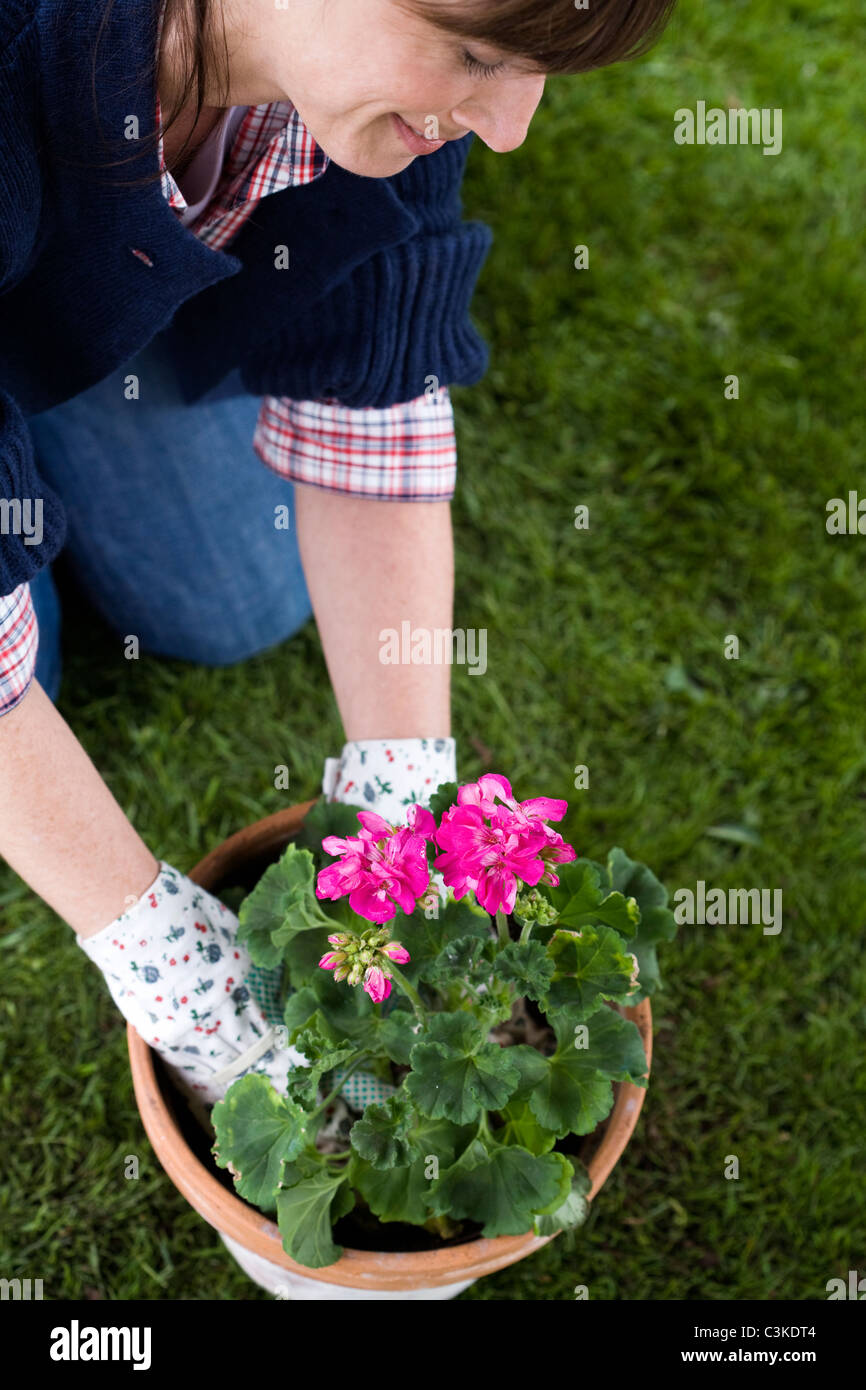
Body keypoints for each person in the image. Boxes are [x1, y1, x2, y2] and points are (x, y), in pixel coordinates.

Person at [0, 1, 675, 1107]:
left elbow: (374, 373)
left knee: (233, 603)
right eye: (474, 57)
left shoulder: (357, 82)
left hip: (64, 251)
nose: (507, 128)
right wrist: (159, 954)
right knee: (39, 682)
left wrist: (403, 792)